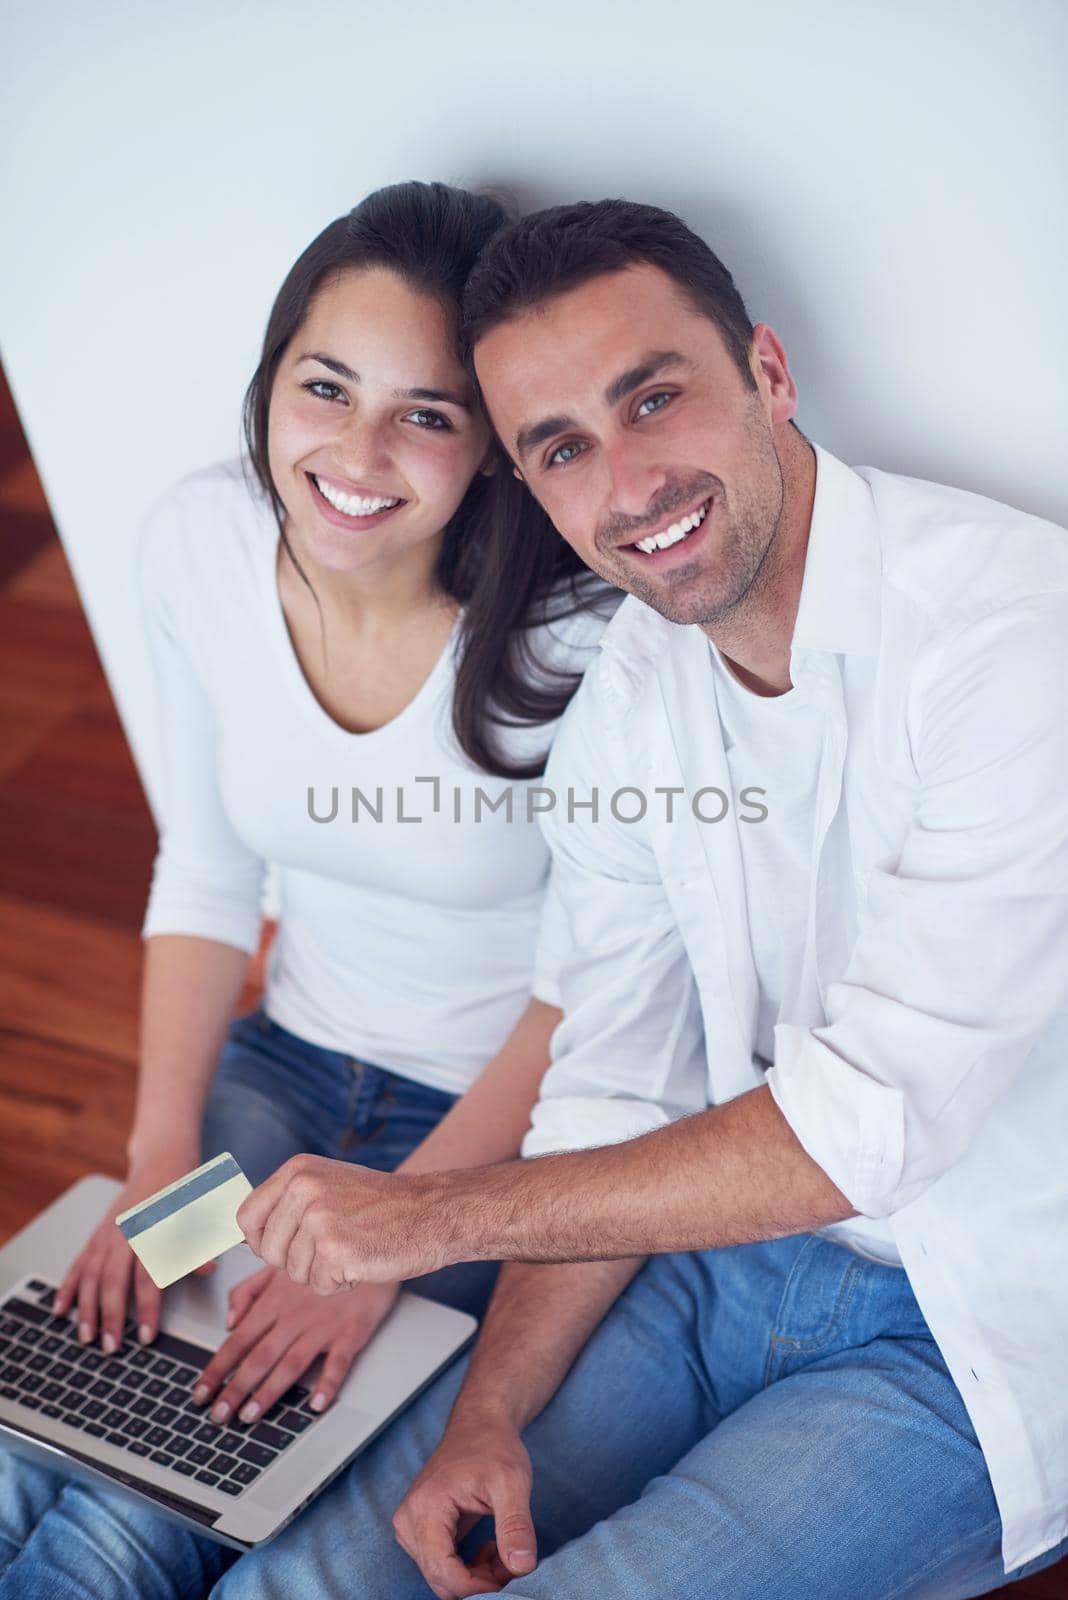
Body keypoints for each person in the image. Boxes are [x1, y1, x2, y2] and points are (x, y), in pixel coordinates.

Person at [216, 197, 1068, 1600]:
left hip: (966, 1323)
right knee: (309, 1578)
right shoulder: (630, 694)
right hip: (698, 1259)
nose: (629, 484)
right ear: (534, 488)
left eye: (652, 400)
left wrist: (431, 1220)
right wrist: (488, 1416)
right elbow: (610, 1084)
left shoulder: (1010, 640)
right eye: (562, 448)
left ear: (770, 377)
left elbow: (867, 1129)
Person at [0, 182, 615, 1597]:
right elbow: (209, 868)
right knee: (41, 1428)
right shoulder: (200, 541)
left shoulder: (581, 635)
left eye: (428, 413)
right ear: (269, 383)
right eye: (324, 386)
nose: (355, 449)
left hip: (483, 1141)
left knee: (138, 1515)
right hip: (283, 1070)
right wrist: (160, 1162)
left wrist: (399, 1234)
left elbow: (590, 996)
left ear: (494, 450)